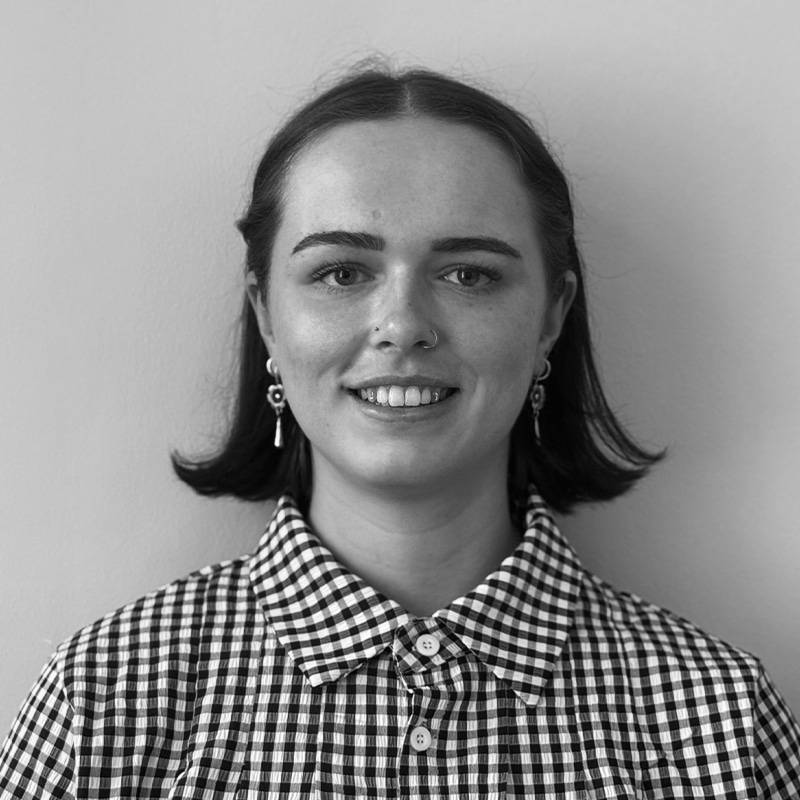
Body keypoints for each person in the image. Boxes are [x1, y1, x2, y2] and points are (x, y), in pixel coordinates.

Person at [1, 64, 799, 799]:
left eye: (468, 274)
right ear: (266, 314)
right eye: (342, 272)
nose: (403, 325)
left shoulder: (718, 724)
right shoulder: (106, 700)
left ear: (551, 315)